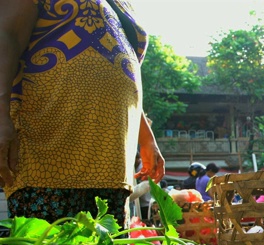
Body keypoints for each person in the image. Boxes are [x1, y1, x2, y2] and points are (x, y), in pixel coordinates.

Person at [0, 0, 164, 228]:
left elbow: (125, 67)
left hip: (112, 157)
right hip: (47, 151)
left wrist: (146, 137)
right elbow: (5, 35)